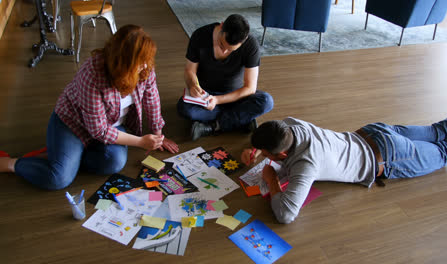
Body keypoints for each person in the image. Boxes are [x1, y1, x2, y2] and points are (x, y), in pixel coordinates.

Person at [0, 25, 179, 190]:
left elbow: (152, 98)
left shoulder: (144, 67)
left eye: (146, 61)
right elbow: (99, 130)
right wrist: (140, 142)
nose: (146, 66)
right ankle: (11, 163)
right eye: (140, 63)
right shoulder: (92, 74)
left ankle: (64, 156)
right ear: (123, 64)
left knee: (114, 163)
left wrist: (158, 134)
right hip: (72, 123)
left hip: (111, 126)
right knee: (58, 178)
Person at [241, 115, 447, 224]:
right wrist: (258, 147)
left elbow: (286, 214)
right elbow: (277, 128)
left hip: (389, 156)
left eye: (267, 153)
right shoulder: (291, 125)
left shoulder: (306, 164)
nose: (265, 156)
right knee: (437, 131)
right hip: (375, 132)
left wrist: (271, 179)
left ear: (281, 155)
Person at [177, 14, 274, 141]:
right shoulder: (200, 35)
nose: (224, 52)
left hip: (236, 96)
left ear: (244, 40)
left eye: (230, 50)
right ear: (222, 26)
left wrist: (218, 100)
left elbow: (250, 88)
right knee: (184, 109)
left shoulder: (251, 45)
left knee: (266, 101)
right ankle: (240, 119)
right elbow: (190, 70)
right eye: (222, 45)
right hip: (206, 96)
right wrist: (193, 85)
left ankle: (213, 127)